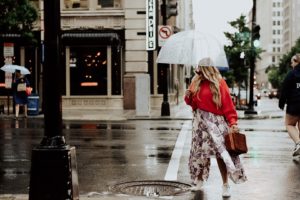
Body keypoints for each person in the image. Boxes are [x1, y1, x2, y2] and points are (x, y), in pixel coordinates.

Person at [184, 58, 247, 197]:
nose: (197, 69)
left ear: (207, 68)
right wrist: (188, 96)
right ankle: (199, 181)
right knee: (200, 153)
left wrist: (233, 122)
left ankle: (225, 185)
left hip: (216, 124)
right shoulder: (196, 81)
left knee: (221, 155)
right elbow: (193, 104)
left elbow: (228, 105)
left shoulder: (219, 82)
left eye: (200, 67)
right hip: (199, 124)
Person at [278, 53, 300, 157]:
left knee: (289, 124)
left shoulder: (292, 74)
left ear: (296, 62)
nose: (291, 64)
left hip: (295, 104)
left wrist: (281, 103)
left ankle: (298, 143)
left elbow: (285, 90)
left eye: (292, 62)